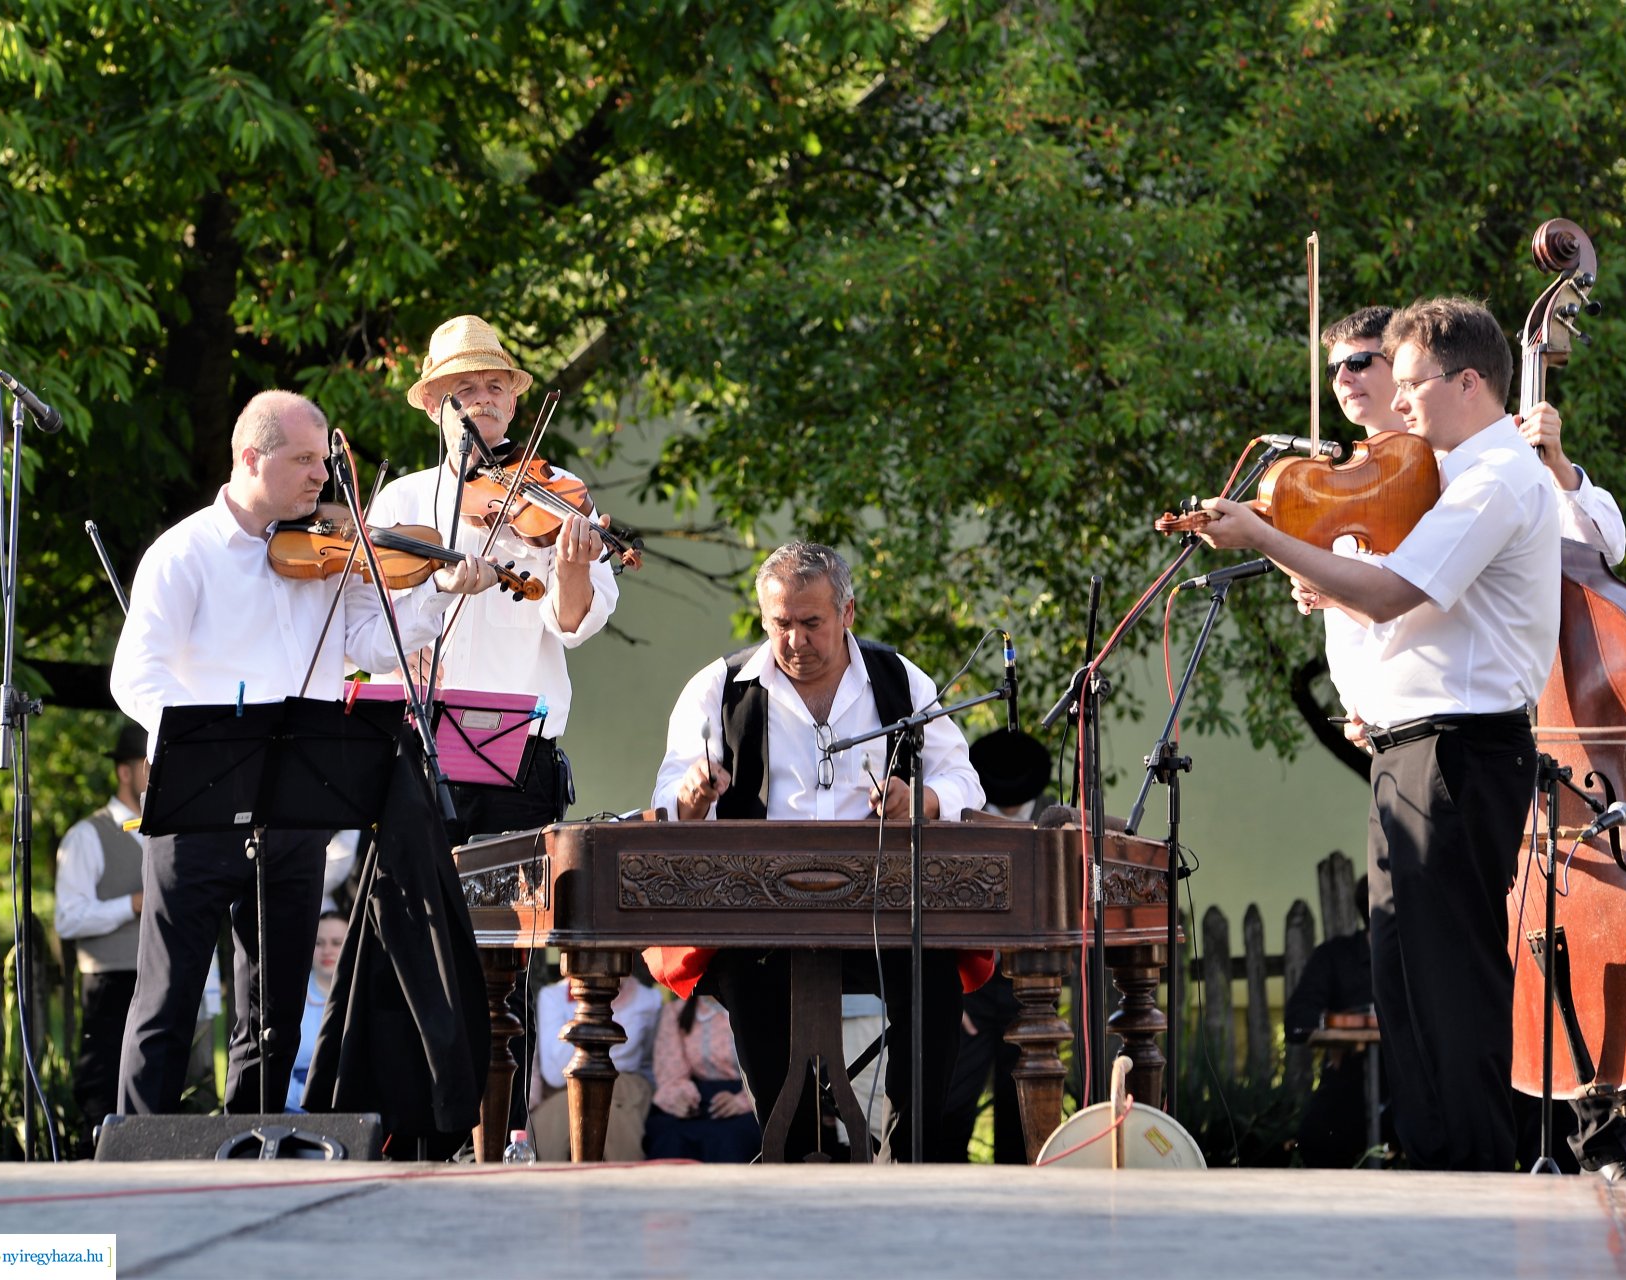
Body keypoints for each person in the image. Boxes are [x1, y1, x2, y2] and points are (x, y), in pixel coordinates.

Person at [1198, 297, 1560, 1171]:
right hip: (1417, 752)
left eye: (1412, 385)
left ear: (1469, 383)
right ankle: (1438, 1170)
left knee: (1452, 986)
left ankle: (1475, 1181)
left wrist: (1267, 536)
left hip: (1460, 754)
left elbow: (1396, 593)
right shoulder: (1454, 477)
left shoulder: (1497, 478)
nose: (1397, 405)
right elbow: (1396, 599)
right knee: (1403, 984)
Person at [109, 389, 494, 1117]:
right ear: (250, 458)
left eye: (325, 459)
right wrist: (214, 733)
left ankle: (251, 1153)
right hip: (200, 804)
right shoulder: (184, 553)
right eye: (306, 461)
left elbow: (372, 645)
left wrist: (443, 591)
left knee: (273, 1012)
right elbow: (136, 676)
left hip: (295, 808)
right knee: (169, 1002)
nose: (324, 476)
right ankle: (134, 1168)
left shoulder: (324, 552)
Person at [645, 541, 988, 1161]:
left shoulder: (900, 679)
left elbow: (963, 779)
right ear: (763, 618)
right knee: (748, 982)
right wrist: (693, 795)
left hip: (882, 906)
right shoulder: (719, 686)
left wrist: (923, 801)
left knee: (934, 977)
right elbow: (669, 795)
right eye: (781, 624)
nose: (796, 640)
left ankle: (909, 1158)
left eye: (812, 623)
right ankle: (792, 1154)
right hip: (762, 911)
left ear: (848, 613)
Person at [367, 314, 620, 846]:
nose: (482, 398)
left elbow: (574, 626)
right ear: (435, 406)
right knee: (415, 918)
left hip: (519, 750)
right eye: (464, 389)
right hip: (415, 744)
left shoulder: (559, 492)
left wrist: (572, 567)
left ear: (511, 404)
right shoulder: (400, 502)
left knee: (513, 922)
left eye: (494, 387)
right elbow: (364, 626)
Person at [1320, 305, 1625, 562]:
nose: (1343, 378)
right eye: (1332, 370)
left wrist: (1557, 465)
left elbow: (1604, 550)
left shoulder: (1494, 464)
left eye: (1357, 363)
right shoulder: (1358, 482)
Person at [930, 727, 1052, 1163]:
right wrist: (951, 988)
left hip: (1031, 984)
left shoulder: (1052, 822)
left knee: (1023, 1098)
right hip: (974, 984)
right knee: (954, 1098)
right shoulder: (963, 820)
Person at [53, 722, 150, 1143]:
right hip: (110, 977)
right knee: (104, 1079)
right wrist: (131, 904)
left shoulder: (168, 833)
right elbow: (68, 918)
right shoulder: (86, 836)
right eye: (148, 766)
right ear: (124, 772)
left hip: (159, 977)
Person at [1282, 878, 1383, 1168]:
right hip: (1353, 1079)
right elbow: (1297, 1021)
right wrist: (1340, 1027)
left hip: (1409, 1082)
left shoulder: (1418, 960)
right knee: (1317, 1135)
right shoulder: (1335, 957)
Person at [528, 966, 663, 1161]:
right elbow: (554, 1074)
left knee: (610, 1114)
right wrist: (595, 1010)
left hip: (625, 1086)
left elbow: (649, 1063)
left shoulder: (649, 999)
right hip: (566, 1088)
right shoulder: (552, 997)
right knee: (577, 1114)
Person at [644, 996, 761, 1163]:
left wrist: (744, 1100)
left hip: (751, 1100)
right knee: (670, 1136)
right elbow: (670, 1070)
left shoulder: (755, 1009)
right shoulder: (677, 1011)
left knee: (730, 1139)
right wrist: (681, 1098)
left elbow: (772, 1064)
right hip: (699, 1100)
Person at [286, 911, 348, 1110]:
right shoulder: (290, 998)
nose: (327, 951)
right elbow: (273, 1069)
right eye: (318, 943)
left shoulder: (365, 995)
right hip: (297, 1112)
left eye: (337, 943)